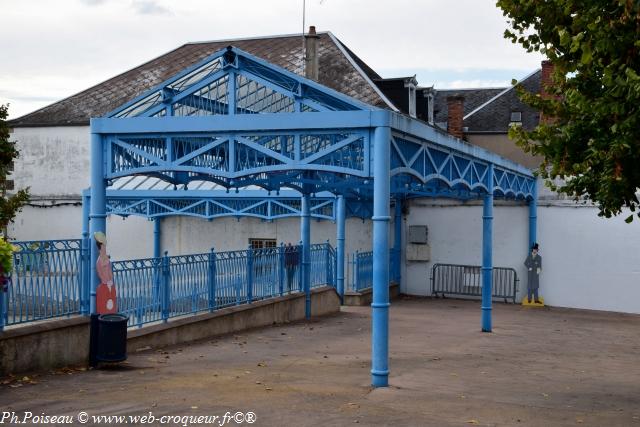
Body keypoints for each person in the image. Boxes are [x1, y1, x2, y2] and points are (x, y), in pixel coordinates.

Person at [95, 232, 117, 314]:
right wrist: (106, 282)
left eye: (104, 246)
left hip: (110, 284)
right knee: (105, 307)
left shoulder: (107, 260)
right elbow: (101, 274)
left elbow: (109, 270)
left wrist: (111, 280)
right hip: (105, 284)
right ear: (100, 248)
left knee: (111, 306)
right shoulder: (99, 261)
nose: (104, 249)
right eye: (103, 247)